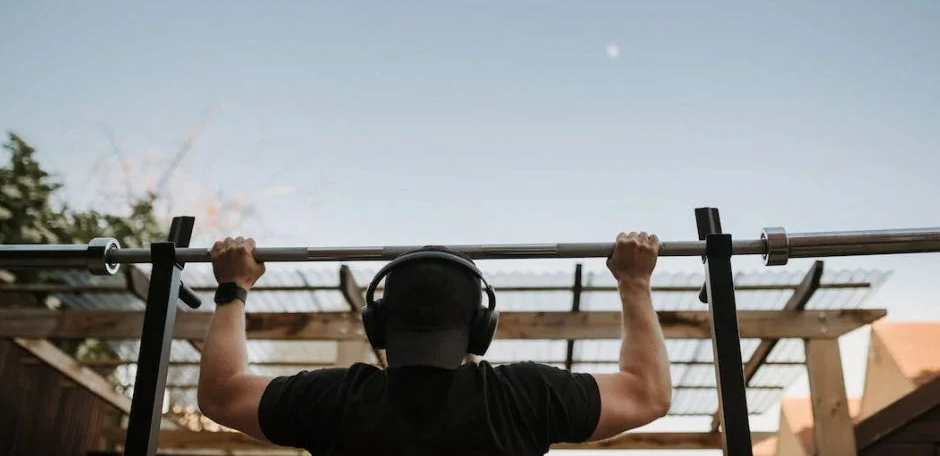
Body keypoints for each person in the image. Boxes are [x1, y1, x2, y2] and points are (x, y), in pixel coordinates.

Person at [197, 232, 672, 455]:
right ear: (482, 328)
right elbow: (647, 393)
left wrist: (232, 288)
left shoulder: (333, 401)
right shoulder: (523, 398)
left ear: (376, 326)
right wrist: (634, 282)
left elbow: (221, 394)